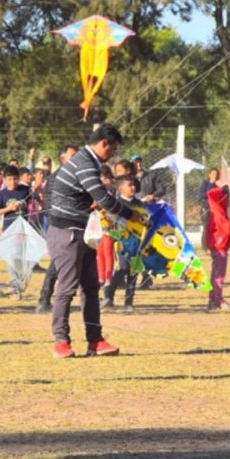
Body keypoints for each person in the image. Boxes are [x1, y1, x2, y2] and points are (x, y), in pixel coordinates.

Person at [48, 123, 143, 358]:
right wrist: (132, 214)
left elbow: (91, 197)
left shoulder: (89, 162)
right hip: (66, 232)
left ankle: (95, 340)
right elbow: (103, 198)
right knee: (67, 288)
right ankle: (61, 341)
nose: (114, 156)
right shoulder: (84, 163)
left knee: (91, 287)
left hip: (84, 232)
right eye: (113, 150)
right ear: (104, 143)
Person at [36, 144, 79, 313]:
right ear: (63, 159)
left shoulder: (80, 176)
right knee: (57, 263)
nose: (77, 158)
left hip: (79, 225)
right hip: (62, 226)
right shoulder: (56, 178)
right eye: (73, 155)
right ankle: (44, 299)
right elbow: (49, 203)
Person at [101, 175, 143, 311]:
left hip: (137, 243)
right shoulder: (116, 203)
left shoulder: (139, 204)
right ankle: (108, 297)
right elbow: (110, 220)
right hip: (121, 243)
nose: (133, 187)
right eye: (129, 185)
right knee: (122, 269)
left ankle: (128, 302)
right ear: (121, 188)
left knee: (133, 272)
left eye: (134, 185)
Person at [0, 164, 33, 299]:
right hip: (9, 231)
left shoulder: (25, 190)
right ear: (4, 180)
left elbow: (36, 197)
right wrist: (9, 209)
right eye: (9, 179)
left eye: (15, 179)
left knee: (21, 261)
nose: (12, 182)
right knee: (11, 259)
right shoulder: (3, 194)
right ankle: (15, 289)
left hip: (23, 231)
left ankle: (18, 284)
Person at [96, 165, 117, 289]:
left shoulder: (111, 190)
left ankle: (108, 277)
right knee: (99, 252)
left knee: (108, 251)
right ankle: (101, 276)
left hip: (109, 225)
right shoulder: (97, 190)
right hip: (98, 225)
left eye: (104, 177)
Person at [198, 168, 218, 250]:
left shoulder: (217, 184)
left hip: (215, 209)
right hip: (206, 208)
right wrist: (211, 184)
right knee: (206, 227)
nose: (215, 176)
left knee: (214, 228)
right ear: (209, 175)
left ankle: (213, 245)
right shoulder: (205, 183)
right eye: (213, 174)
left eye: (216, 174)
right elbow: (202, 194)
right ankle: (205, 247)